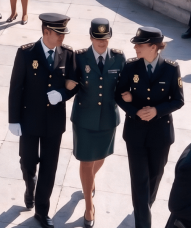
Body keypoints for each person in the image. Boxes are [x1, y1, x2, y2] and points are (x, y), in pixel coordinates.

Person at [8, 13, 78, 228]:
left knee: (50, 167)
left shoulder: (67, 54)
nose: (62, 38)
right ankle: (30, 186)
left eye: (64, 34)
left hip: (54, 122)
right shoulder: (26, 53)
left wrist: (63, 95)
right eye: (59, 34)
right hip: (29, 119)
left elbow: (74, 83)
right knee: (28, 162)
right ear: (46, 31)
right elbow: (16, 87)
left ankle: (42, 210)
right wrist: (14, 119)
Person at [115, 27, 184, 228]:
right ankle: (143, 221)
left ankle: (144, 205)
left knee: (155, 175)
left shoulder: (171, 68)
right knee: (139, 180)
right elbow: (118, 95)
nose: (135, 47)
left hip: (160, 133)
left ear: (153, 47)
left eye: (140, 44)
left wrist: (156, 110)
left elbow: (178, 101)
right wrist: (134, 110)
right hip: (135, 132)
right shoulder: (130, 66)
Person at [67, 19, 125, 227]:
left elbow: (123, 85)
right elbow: (70, 81)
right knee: (85, 160)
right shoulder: (80, 57)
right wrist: (67, 84)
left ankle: (88, 182)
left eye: (106, 38)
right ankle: (89, 207)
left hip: (108, 117)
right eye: (98, 38)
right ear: (91, 37)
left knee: (100, 157)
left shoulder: (118, 58)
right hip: (84, 118)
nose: (102, 42)